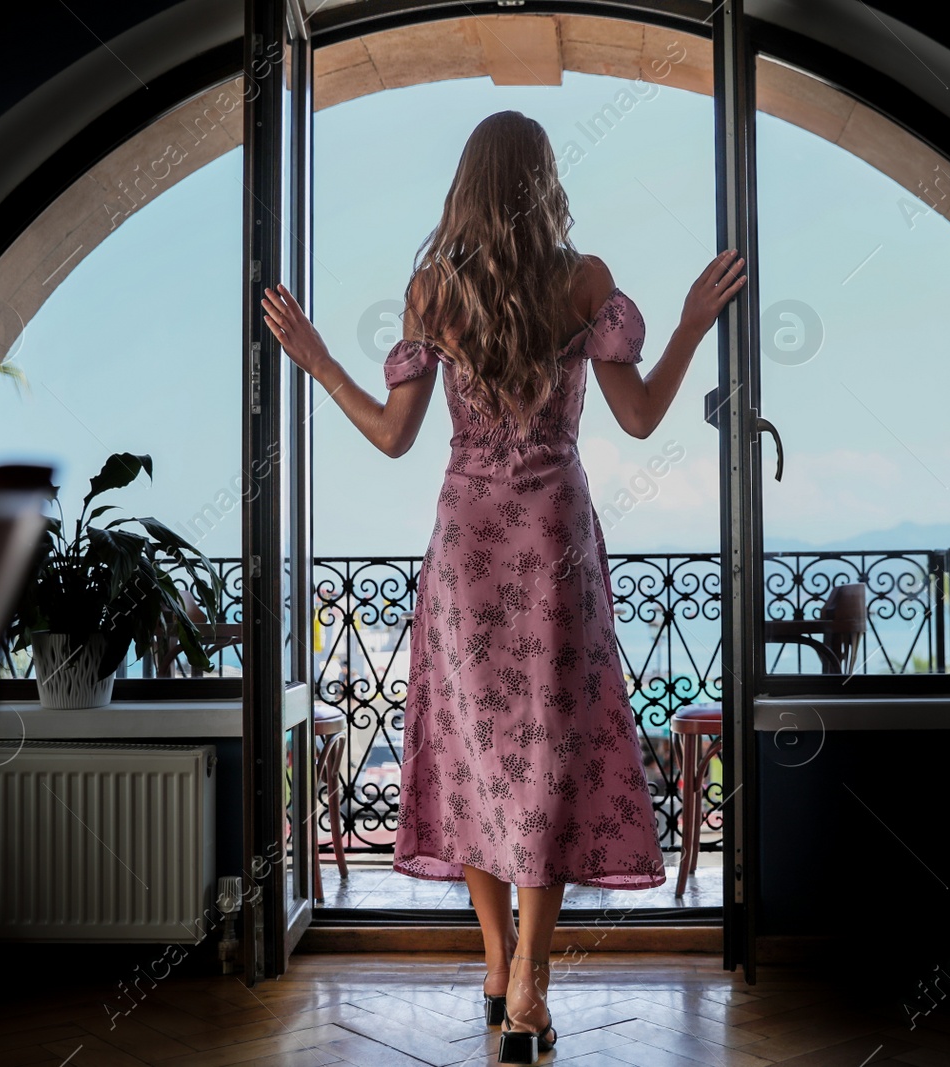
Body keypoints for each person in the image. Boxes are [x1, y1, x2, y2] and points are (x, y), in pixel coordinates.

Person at [261, 109, 744, 1064]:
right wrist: (691, 323)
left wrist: (316, 357)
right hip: (555, 538)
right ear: (545, 180)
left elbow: (395, 438)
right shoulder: (584, 282)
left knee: (477, 757)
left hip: (468, 546)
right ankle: (521, 973)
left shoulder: (433, 291)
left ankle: (501, 968)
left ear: (467, 185)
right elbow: (642, 417)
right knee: (546, 759)